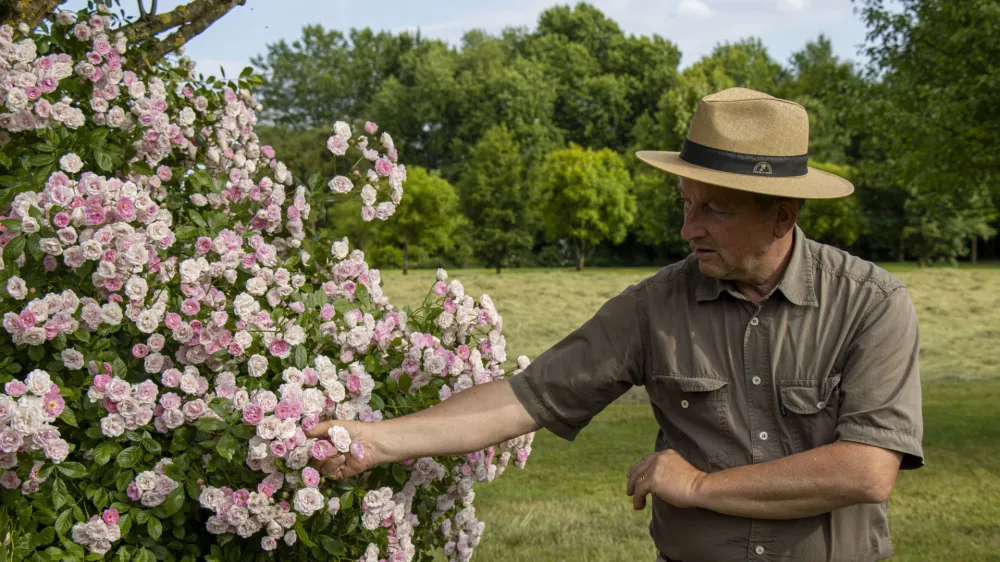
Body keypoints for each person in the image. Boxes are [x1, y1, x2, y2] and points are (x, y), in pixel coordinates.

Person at [308, 87, 924, 562]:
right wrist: (375, 440)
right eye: (686, 204)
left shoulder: (870, 304)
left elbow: (866, 471)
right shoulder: (654, 305)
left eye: (715, 209)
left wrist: (699, 486)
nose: (689, 228)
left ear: (782, 215)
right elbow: (527, 399)